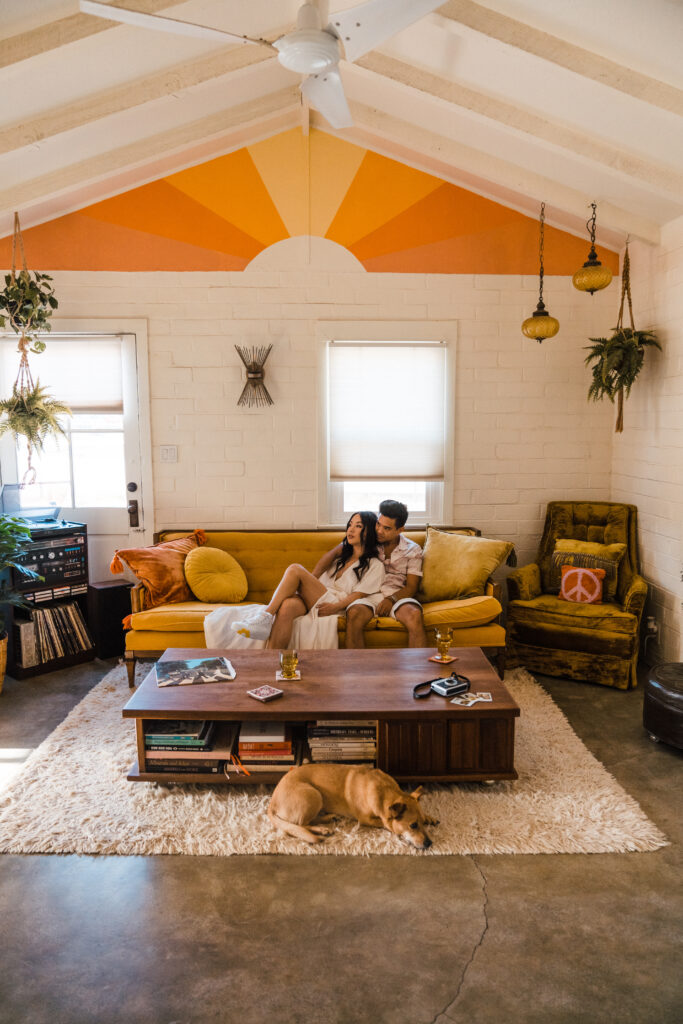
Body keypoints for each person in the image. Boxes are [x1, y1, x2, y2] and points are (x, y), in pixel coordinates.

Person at [203, 511, 384, 651]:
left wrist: (336, 607)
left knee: (295, 568)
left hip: (335, 604)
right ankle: (271, 661)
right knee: (288, 605)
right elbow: (318, 573)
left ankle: (265, 616)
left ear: (369, 530)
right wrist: (304, 586)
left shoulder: (375, 564)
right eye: (350, 524)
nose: (350, 530)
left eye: (358, 526)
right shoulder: (340, 558)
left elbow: (358, 594)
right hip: (318, 598)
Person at [343, 499, 427, 648]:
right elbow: (341, 548)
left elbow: (412, 587)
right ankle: (356, 670)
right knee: (354, 613)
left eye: (387, 528)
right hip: (368, 594)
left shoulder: (413, 550)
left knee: (414, 615)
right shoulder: (369, 541)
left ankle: (418, 670)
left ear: (400, 529)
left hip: (397, 596)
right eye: (378, 524)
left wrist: (391, 599)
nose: (379, 531)